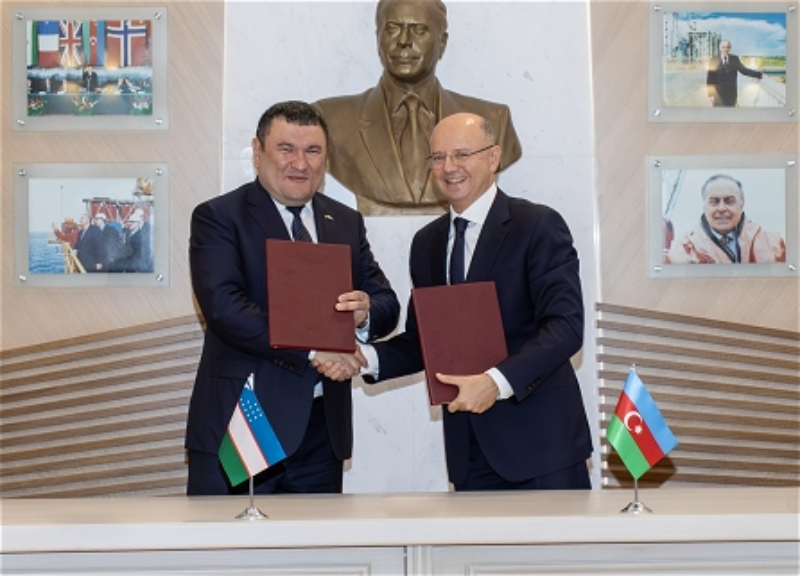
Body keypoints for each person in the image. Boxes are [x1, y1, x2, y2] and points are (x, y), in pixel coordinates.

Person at [319, 113, 592, 491]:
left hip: (542, 449)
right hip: (468, 452)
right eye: (438, 157)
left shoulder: (536, 226)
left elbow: (565, 328)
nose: (449, 167)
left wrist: (495, 382)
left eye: (462, 154)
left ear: (493, 157)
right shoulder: (427, 243)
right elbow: (425, 341)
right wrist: (364, 357)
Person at [185, 101, 400, 495]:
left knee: (316, 537)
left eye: (313, 151)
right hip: (244, 423)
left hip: (321, 430)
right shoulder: (220, 217)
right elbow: (224, 308)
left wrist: (364, 313)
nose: (300, 163)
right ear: (257, 152)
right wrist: (314, 350)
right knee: (229, 535)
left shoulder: (345, 221)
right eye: (286, 149)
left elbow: (386, 303)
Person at [314, 0, 522, 215]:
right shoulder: (329, 120)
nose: (404, 41)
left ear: (442, 43)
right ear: (378, 38)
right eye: (392, 29)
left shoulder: (494, 120)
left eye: (419, 30)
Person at [666, 174, 786, 264]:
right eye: (714, 202)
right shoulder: (684, 250)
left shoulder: (773, 244)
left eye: (729, 201)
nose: (722, 208)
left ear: (742, 203)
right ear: (704, 206)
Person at [706, 39, 763, 107]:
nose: (725, 49)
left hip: (731, 94)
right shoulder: (714, 59)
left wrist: (758, 74)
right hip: (718, 94)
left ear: (730, 48)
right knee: (719, 112)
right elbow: (710, 78)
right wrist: (711, 95)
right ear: (720, 48)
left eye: (727, 47)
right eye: (723, 47)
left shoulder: (735, 59)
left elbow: (744, 70)